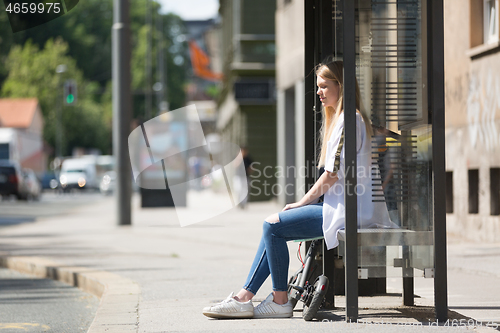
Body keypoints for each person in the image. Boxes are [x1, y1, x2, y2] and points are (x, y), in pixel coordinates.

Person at [202, 60, 396, 319]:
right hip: (346, 208)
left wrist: (301, 203)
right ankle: (245, 297)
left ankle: (279, 300)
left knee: (272, 226)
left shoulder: (348, 120)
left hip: (348, 213)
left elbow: (331, 175)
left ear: (342, 86)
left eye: (325, 86)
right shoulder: (349, 119)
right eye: (318, 87)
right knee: (272, 224)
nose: (319, 92)